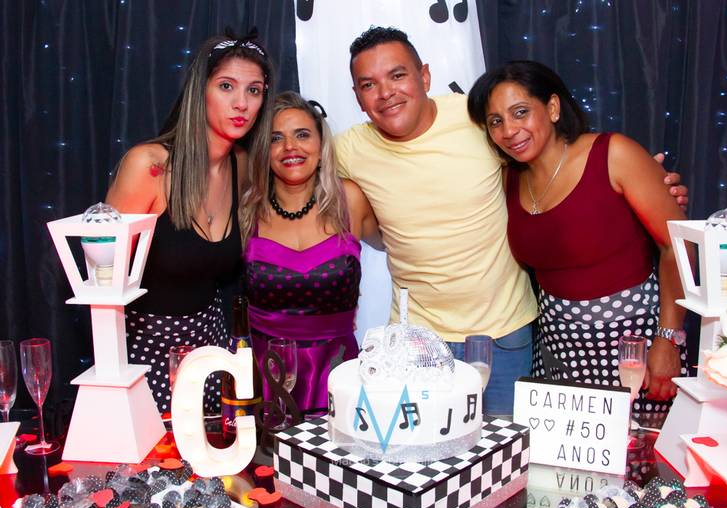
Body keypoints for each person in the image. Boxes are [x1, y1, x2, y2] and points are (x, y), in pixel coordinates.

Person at [334, 26, 688, 416]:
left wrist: (653, 187)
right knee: (427, 449)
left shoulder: (475, 119)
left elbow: (577, 174)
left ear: (425, 76)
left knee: (522, 452)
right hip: (425, 340)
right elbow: (305, 186)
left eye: (397, 75)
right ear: (357, 96)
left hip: (509, 336)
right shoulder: (349, 149)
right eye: (369, 84)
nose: (386, 92)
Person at [467, 60, 690, 414]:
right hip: (557, 350)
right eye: (495, 121)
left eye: (520, 112)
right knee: (556, 450)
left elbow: (678, 244)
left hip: (635, 347)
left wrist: (668, 339)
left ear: (553, 108)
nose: (509, 130)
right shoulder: (509, 179)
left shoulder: (613, 154)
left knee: (645, 447)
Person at [105, 34, 275, 413]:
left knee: (218, 450)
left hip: (212, 355)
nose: (241, 103)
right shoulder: (149, 167)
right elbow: (104, 285)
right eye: (226, 86)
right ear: (200, 91)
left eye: (254, 90)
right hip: (146, 357)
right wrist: (115, 379)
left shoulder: (242, 165)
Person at [242, 91, 380, 417]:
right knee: (265, 451)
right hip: (266, 378)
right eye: (276, 138)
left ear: (321, 145)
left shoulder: (351, 199)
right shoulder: (246, 210)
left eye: (302, 135)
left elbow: (397, 244)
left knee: (339, 449)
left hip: (338, 374)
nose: (290, 147)